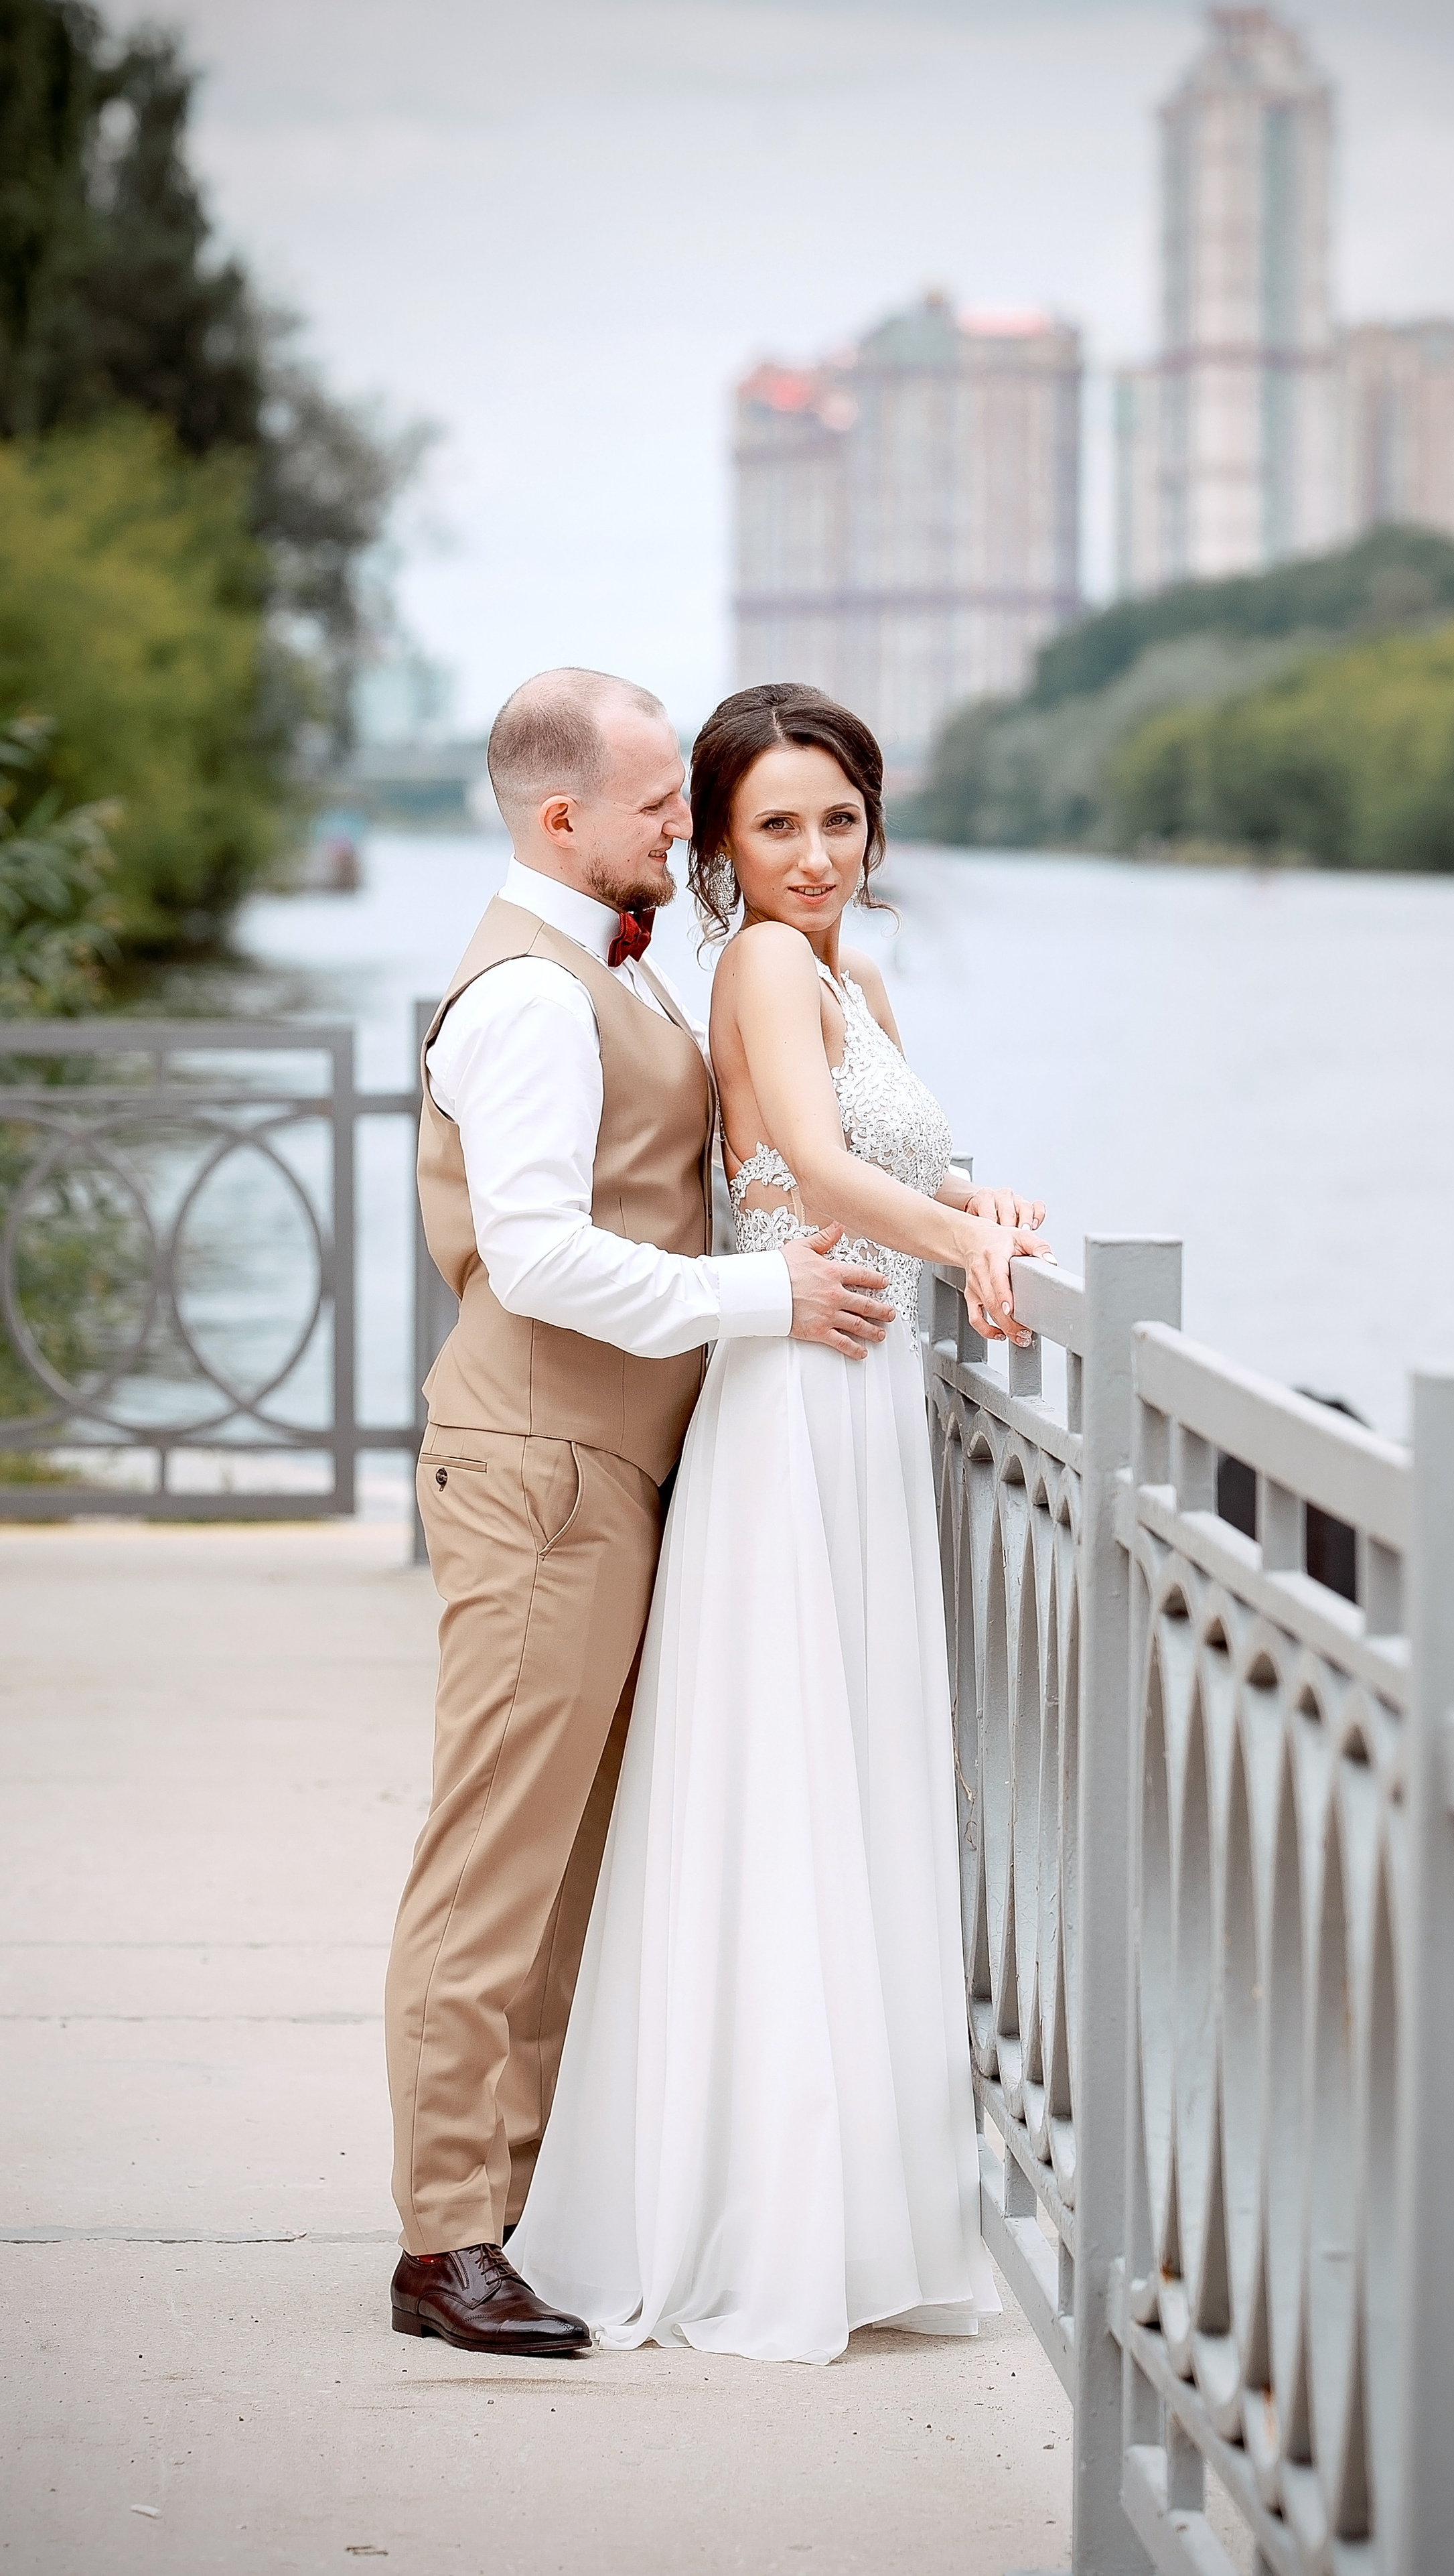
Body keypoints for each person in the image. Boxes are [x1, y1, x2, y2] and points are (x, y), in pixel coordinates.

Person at [506, 681, 1049, 2363]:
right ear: (723, 852)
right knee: (784, 1785)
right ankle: (754, 2208)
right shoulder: (749, 963)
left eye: (840, 819)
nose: (815, 857)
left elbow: (896, 1148)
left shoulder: (847, 972)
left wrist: (982, 1202)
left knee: (859, 1778)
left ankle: (860, 2211)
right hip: (798, 1397)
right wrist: (954, 1252)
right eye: (773, 828)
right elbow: (809, 1172)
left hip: (868, 1394)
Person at [386, 669, 900, 2358]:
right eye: (658, 806)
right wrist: (763, 1305)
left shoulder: (610, 977)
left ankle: (518, 2204)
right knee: (496, 1869)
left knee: (576, 1875)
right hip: (540, 1472)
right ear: (562, 820)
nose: (679, 831)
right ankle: (444, 2236)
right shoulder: (532, 1001)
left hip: (608, 1474)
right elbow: (530, 1256)